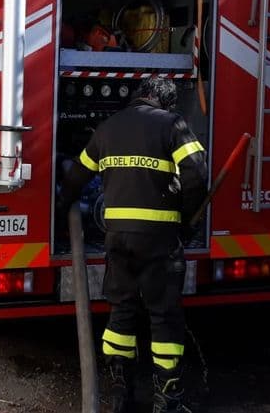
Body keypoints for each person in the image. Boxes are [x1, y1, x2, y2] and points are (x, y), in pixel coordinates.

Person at [58, 76, 208, 413]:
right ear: (161, 100)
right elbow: (197, 173)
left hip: (117, 239)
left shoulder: (108, 127)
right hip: (159, 240)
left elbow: (76, 177)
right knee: (164, 315)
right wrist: (186, 220)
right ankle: (167, 399)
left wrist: (61, 211)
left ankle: (119, 393)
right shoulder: (173, 124)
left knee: (121, 310)